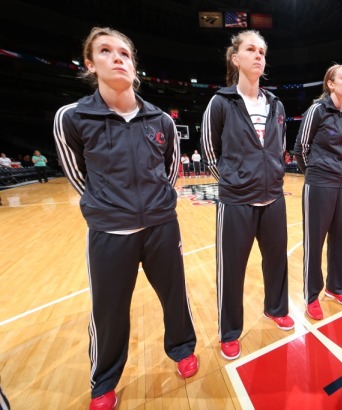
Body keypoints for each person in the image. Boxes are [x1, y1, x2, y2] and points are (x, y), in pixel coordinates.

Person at [53, 27, 198, 410]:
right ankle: (104, 381)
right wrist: (107, 206)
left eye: (124, 53)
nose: (117, 58)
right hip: (110, 232)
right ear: (90, 64)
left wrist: (157, 204)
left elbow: (170, 172)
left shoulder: (162, 122)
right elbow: (77, 176)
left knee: (175, 295)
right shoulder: (72, 117)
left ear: (134, 67)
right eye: (105, 51)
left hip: (161, 227)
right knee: (108, 310)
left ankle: (182, 347)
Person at [201, 30, 294, 361]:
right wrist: (232, 182)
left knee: (277, 261)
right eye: (251, 50)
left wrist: (275, 174)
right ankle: (229, 331)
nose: (259, 56)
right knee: (231, 268)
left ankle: (276, 308)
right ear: (235, 58)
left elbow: (280, 145)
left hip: (273, 198)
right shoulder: (221, 102)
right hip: (236, 201)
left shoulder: (277, 104)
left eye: (263, 51)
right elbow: (210, 151)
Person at [294, 63, 342, 320]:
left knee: (341, 239)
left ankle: (336, 287)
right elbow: (301, 149)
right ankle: (311, 295)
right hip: (320, 183)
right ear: (330, 84)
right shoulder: (316, 111)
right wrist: (316, 173)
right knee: (314, 242)